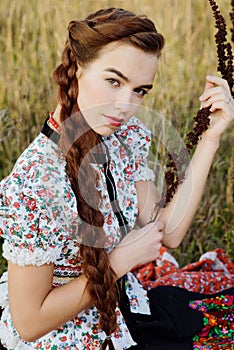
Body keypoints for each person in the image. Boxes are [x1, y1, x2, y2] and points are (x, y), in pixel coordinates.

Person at [0, 7, 233, 350]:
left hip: (123, 313)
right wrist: (120, 262)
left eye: (140, 90)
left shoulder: (122, 137)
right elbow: (30, 322)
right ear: (76, 69)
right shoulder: (35, 182)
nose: (125, 105)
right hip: (66, 340)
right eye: (114, 81)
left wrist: (211, 138)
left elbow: (168, 231)